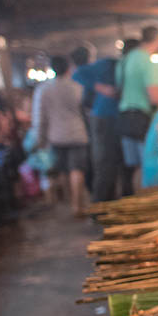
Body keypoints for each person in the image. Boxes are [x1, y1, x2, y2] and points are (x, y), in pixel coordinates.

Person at [37, 55, 89, 216]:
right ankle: (77, 204)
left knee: (63, 170)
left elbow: (40, 117)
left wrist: (40, 138)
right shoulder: (77, 87)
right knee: (77, 170)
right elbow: (86, 111)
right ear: (68, 68)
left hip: (56, 136)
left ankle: (67, 201)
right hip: (78, 134)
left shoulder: (44, 90)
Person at [73, 43, 124, 202]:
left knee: (112, 163)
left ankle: (109, 203)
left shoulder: (113, 65)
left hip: (109, 118)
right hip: (104, 119)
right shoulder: (108, 64)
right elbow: (78, 74)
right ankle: (99, 207)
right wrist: (101, 88)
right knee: (105, 164)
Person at [116, 25, 158, 195]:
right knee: (148, 162)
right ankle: (148, 200)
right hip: (140, 118)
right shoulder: (148, 60)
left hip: (123, 116)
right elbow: (155, 97)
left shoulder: (125, 60)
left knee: (135, 165)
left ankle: (138, 200)